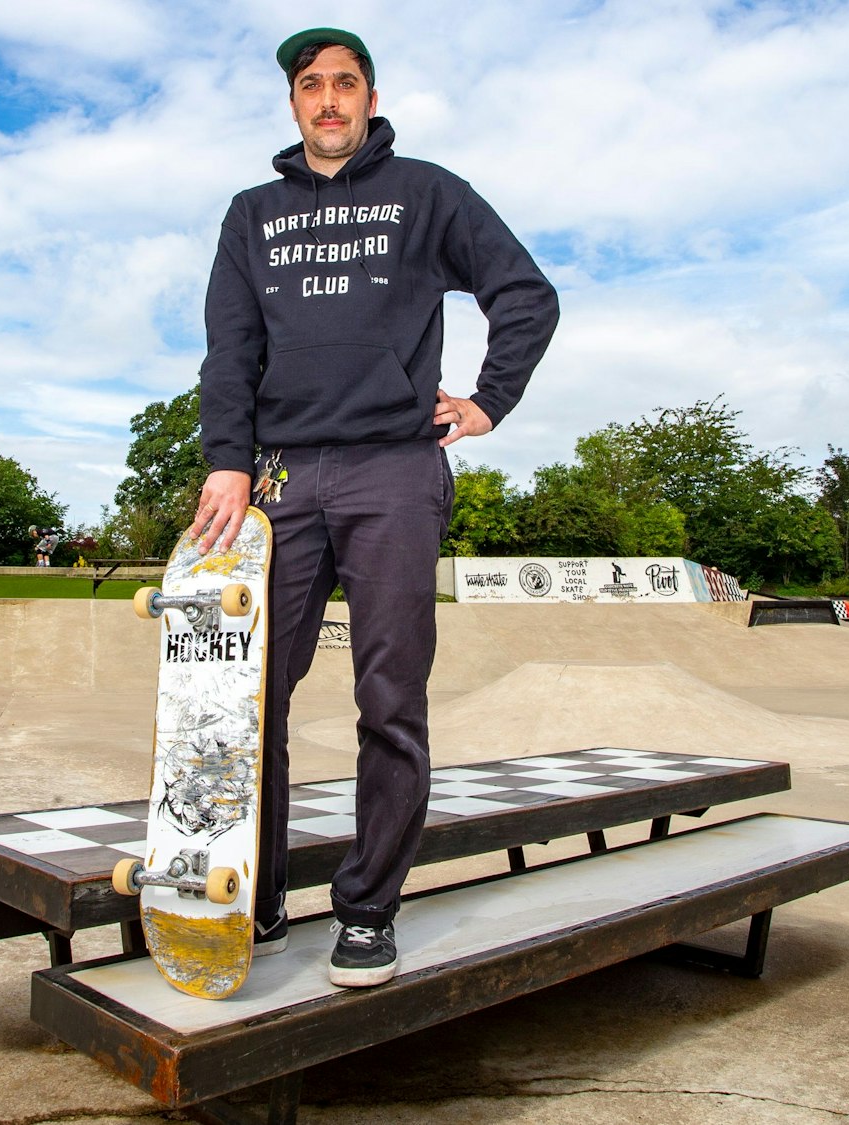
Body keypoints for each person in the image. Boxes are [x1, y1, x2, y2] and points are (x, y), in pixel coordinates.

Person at [187, 28, 558, 987]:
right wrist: (227, 462)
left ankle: (366, 910)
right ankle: (250, 892)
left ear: (370, 96)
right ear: (294, 104)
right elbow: (230, 348)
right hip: (281, 479)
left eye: (344, 84)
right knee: (252, 697)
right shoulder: (252, 213)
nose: (328, 100)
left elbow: (525, 294)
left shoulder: (428, 192)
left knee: (390, 698)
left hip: (395, 471)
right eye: (311, 86)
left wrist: (486, 401)